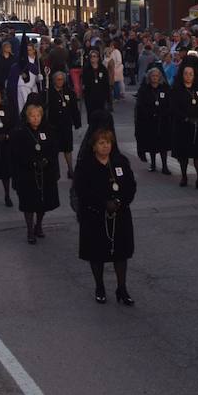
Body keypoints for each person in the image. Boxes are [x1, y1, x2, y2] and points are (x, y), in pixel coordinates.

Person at [73, 124, 136, 305]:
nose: (105, 146)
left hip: (120, 214)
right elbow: (82, 190)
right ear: (94, 146)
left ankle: (122, 288)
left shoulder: (120, 162)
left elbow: (130, 185)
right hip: (95, 216)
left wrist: (120, 202)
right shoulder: (86, 165)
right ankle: (99, 286)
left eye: (108, 142)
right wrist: (103, 204)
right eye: (101, 143)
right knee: (97, 253)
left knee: (121, 253)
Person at [9, 96, 58, 244]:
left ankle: (39, 225)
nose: (36, 119)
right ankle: (30, 230)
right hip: (27, 173)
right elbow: (16, 153)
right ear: (27, 116)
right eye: (32, 116)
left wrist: (46, 160)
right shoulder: (20, 132)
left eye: (38, 116)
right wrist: (31, 162)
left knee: (42, 202)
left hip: (45, 172)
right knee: (29, 203)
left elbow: (53, 149)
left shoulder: (48, 130)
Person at [168, 63, 198, 190]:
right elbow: (174, 107)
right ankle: (184, 176)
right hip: (183, 125)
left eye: (191, 74)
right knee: (183, 154)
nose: (188, 76)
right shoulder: (177, 89)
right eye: (186, 74)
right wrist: (186, 118)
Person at [44, 69, 81, 179]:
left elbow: (74, 109)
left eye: (62, 79)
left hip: (66, 125)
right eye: (58, 79)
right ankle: (55, 171)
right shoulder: (49, 93)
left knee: (67, 149)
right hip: (53, 126)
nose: (60, 81)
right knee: (54, 150)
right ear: (54, 80)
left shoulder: (69, 92)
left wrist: (77, 123)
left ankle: (70, 170)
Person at [134, 66, 171, 174]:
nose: (155, 78)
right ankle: (153, 164)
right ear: (149, 77)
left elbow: (169, 103)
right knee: (151, 144)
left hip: (162, 120)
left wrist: (164, 113)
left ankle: (165, 166)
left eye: (157, 76)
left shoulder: (165, 88)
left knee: (163, 145)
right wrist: (149, 113)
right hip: (149, 120)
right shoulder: (144, 89)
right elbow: (140, 105)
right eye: (153, 76)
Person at [81, 49, 110, 125]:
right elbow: (84, 81)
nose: (93, 58)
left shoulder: (103, 69)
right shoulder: (86, 69)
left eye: (95, 56)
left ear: (98, 58)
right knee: (91, 113)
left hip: (100, 96)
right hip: (90, 96)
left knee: (100, 114)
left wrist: (108, 97)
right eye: (91, 57)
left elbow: (106, 83)